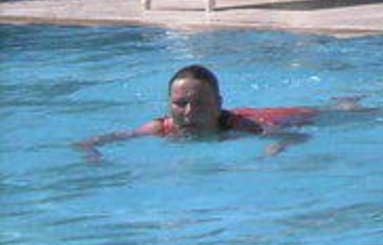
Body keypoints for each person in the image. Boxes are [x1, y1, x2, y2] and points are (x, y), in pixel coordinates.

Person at [79, 64, 327, 160]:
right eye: (180, 103)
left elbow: (297, 136)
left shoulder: (240, 126)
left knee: (326, 114)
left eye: (199, 103)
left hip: (275, 117)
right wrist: (93, 154)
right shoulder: (161, 128)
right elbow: (91, 141)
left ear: (218, 104)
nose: (189, 112)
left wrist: (276, 146)